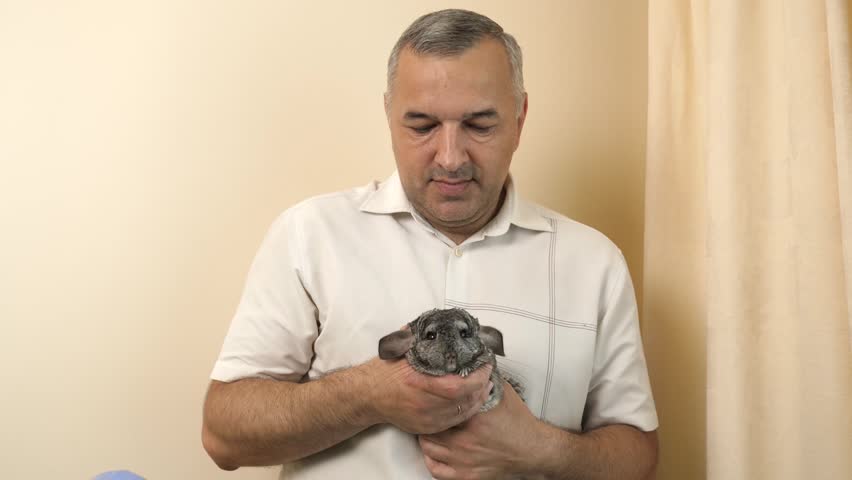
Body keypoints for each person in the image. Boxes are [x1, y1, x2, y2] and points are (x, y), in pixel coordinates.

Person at [202, 8, 658, 480]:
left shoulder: (595, 263)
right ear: (388, 116)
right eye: (421, 126)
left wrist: (539, 448)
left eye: (480, 124)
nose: (450, 157)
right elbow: (223, 437)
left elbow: (638, 457)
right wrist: (368, 395)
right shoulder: (308, 234)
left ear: (520, 118)